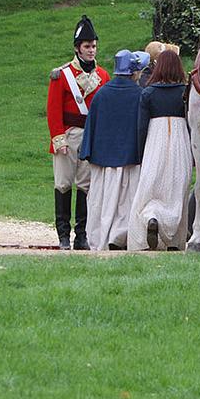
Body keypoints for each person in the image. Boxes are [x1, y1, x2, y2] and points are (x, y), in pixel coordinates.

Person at [46, 15, 109, 250]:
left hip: (90, 135)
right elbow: (53, 111)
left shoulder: (103, 76)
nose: (91, 50)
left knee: (85, 186)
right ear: (77, 48)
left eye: (93, 46)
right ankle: (63, 235)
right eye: (87, 46)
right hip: (68, 134)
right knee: (63, 184)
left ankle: (80, 235)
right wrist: (59, 139)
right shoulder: (61, 75)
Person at [79, 49, 148, 251]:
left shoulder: (101, 94)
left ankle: (103, 238)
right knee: (127, 201)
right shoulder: (140, 95)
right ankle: (123, 236)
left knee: (101, 203)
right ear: (134, 72)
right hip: (131, 160)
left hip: (102, 162)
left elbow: (91, 127)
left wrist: (88, 152)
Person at [129, 50, 190, 251]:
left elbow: (140, 127)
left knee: (151, 187)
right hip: (180, 139)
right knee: (176, 187)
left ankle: (151, 217)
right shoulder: (185, 92)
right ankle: (173, 239)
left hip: (155, 139)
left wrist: (140, 153)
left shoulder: (148, 93)